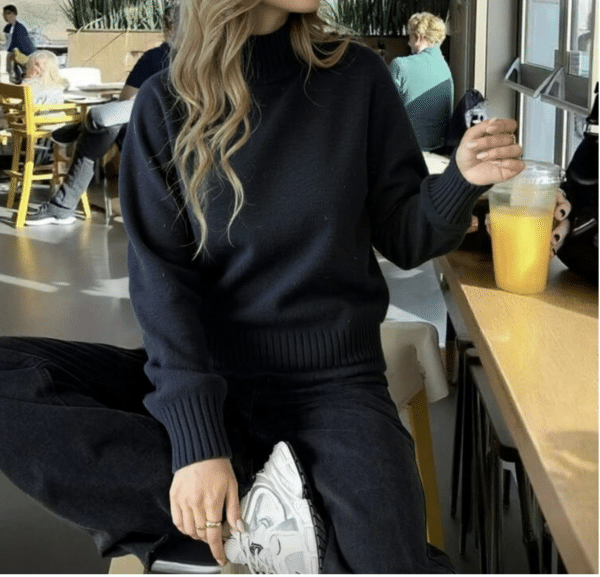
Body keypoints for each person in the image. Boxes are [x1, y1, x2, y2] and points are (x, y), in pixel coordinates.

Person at [0, 0, 528, 573]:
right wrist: (199, 446)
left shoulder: (358, 78)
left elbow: (404, 234)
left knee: (390, 564)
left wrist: (460, 182)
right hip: (210, 378)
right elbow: (165, 290)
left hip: (336, 388)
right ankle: (262, 517)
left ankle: (254, 527)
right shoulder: (164, 103)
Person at [22, 13, 172, 226]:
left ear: (167, 28)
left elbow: (125, 98)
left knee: (101, 121)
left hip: (152, 134)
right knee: (104, 125)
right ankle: (62, 205)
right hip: (180, 133)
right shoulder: (204, 58)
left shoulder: (156, 57)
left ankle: (63, 205)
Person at [389, 12, 453, 152]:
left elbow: (385, 109)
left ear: (419, 37)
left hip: (405, 149)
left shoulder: (400, 65)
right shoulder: (446, 69)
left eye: (409, 37)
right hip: (438, 148)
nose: (408, 43)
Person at [2, 4, 35, 82]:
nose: (6, 16)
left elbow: (17, 44)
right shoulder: (7, 27)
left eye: (8, 13)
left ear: (15, 14)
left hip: (25, 54)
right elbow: (7, 42)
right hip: (14, 55)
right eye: (4, 14)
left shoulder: (20, 28)